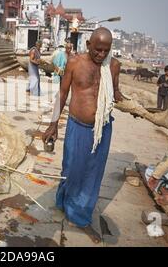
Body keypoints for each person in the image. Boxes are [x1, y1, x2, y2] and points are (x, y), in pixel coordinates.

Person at [42, 28, 123, 243]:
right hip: (78, 126)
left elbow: (115, 92)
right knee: (71, 169)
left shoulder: (113, 66)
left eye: (106, 51)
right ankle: (63, 202)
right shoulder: (75, 63)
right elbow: (62, 93)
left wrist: (135, 106)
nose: (101, 55)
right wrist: (53, 125)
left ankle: (79, 217)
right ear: (88, 44)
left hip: (103, 129)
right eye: (97, 50)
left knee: (92, 175)